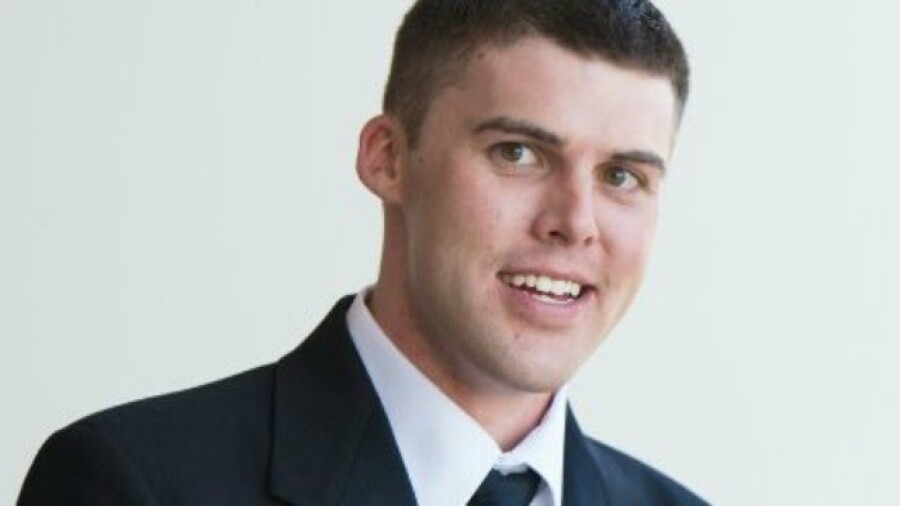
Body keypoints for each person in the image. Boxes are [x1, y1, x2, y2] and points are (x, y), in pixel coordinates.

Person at [19, 0, 705, 504]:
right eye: (517, 153)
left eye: (622, 177)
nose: (575, 223)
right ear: (387, 158)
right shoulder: (131, 483)